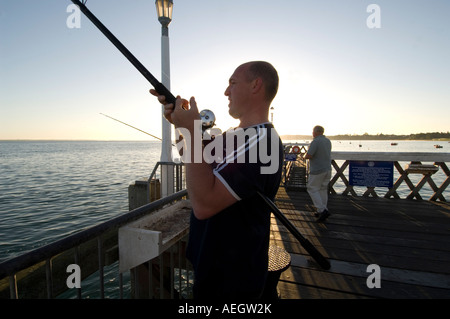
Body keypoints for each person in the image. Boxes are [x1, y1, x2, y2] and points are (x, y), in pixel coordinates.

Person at [150, 61, 284, 299]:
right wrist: (180, 126)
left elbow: (204, 205)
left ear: (256, 85)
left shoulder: (262, 142)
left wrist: (191, 131)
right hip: (211, 263)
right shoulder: (235, 135)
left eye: (232, 83)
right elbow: (194, 161)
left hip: (234, 275)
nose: (226, 92)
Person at [304, 125, 332, 222]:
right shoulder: (328, 141)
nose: (312, 133)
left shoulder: (315, 141)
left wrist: (304, 156)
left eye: (313, 131)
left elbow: (309, 155)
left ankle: (322, 210)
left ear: (316, 132)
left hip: (317, 170)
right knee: (322, 190)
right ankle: (323, 209)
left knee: (311, 188)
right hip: (327, 169)